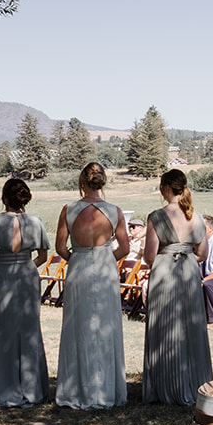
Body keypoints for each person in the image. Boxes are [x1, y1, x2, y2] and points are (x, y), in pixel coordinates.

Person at [53, 162, 130, 410]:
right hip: (106, 268)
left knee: (78, 325)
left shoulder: (69, 209)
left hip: (79, 267)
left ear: (82, 182)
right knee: (106, 325)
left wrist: (78, 258)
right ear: (103, 182)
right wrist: (106, 259)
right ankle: (107, 389)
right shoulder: (115, 211)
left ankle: (77, 389)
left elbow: (60, 248)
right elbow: (126, 248)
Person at [142, 169, 213, 405]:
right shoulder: (197, 217)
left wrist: (166, 256)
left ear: (165, 189)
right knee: (191, 326)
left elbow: (150, 255)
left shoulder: (156, 216)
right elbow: (202, 253)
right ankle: (195, 382)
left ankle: (165, 385)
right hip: (190, 271)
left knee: (164, 326)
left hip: (165, 272)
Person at [0, 178, 50, 408]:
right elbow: (42, 256)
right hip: (28, 274)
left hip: (3, 275)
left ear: (4, 197)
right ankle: (32, 388)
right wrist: (26, 267)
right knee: (30, 329)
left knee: (4, 330)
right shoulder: (36, 222)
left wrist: (3, 268)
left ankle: (7, 389)